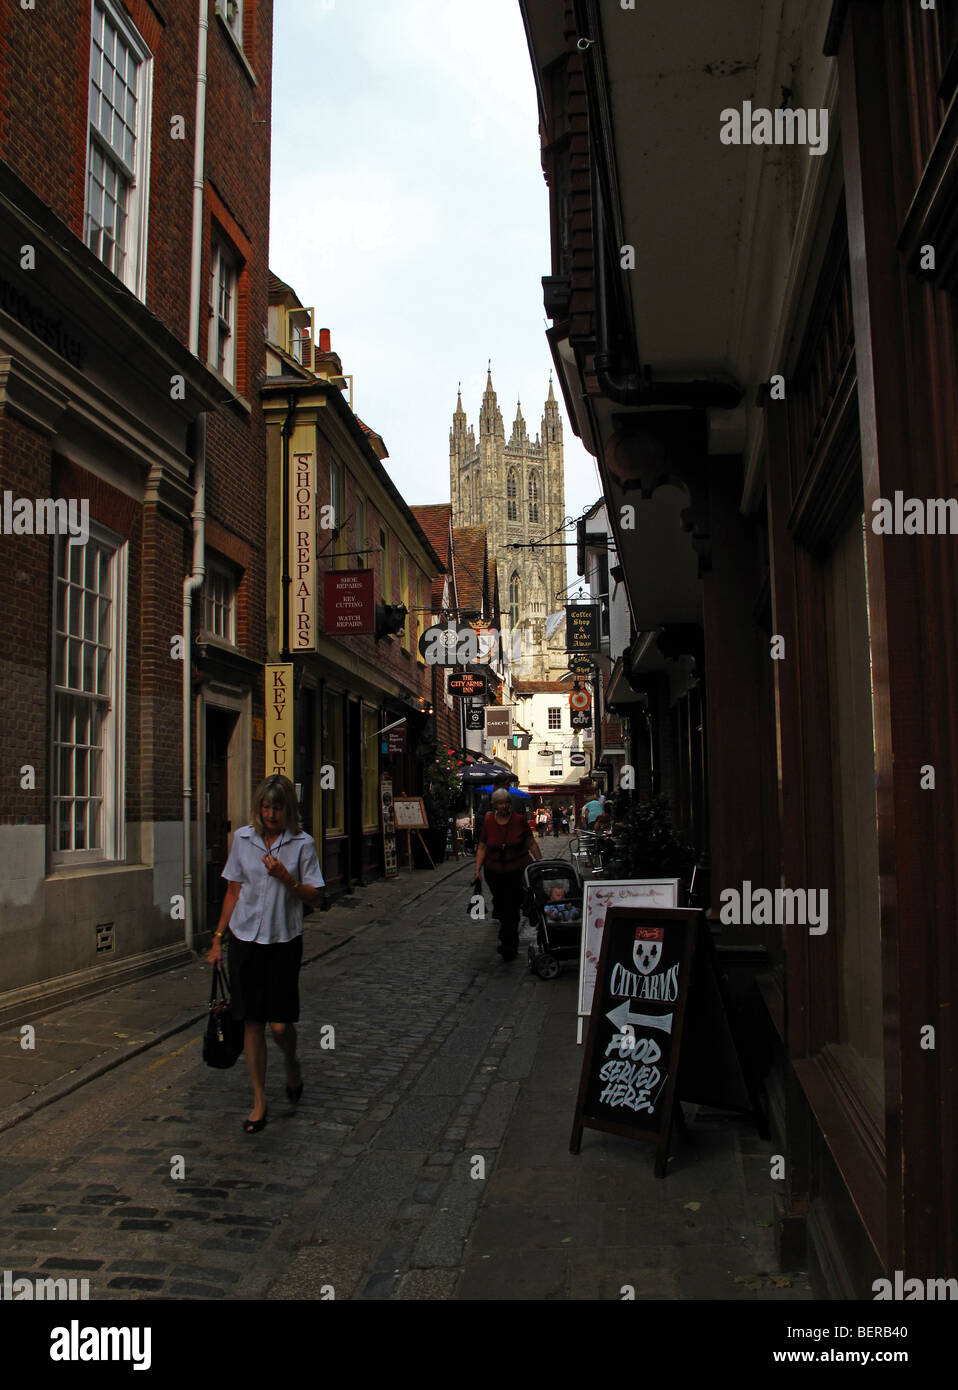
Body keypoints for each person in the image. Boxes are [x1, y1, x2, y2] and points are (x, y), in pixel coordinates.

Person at [207, 774, 325, 1134]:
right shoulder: (243, 840)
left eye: (278, 807)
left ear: (288, 809)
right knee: (251, 1023)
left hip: (283, 942)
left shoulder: (302, 844)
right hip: (244, 941)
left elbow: (316, 897)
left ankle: (291, 1064)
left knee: (279, 1026)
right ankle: (259, 1101)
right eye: (266, 806)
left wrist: (287, 879)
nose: (271, 814)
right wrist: (217, 940)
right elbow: (233, 891)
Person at [474, 788, 542, 960]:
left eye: (506, 803)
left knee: (511, 908)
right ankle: (508, 941)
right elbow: (482, 847)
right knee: (503, 906)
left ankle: (508, 945)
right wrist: (477, 870)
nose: (503, 806)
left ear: (509, 804)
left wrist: (540, 864)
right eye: (500, 803)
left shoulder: (519, 821)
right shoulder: (489, 822)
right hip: (494, 872)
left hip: (517, 871)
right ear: (495, 805)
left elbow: (530, 843)